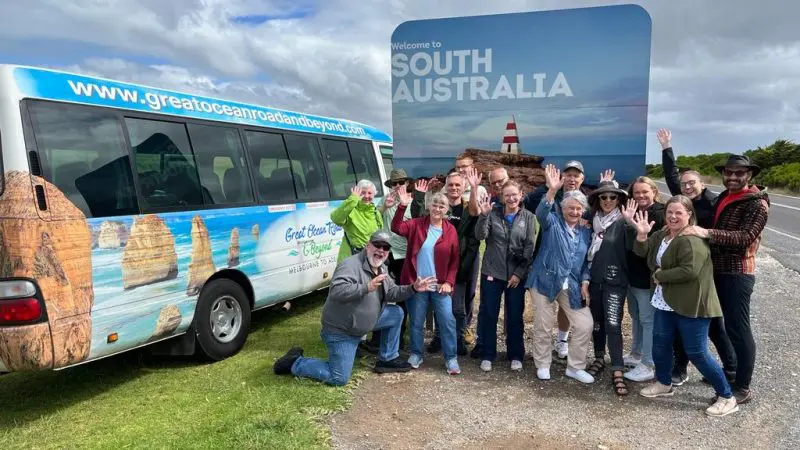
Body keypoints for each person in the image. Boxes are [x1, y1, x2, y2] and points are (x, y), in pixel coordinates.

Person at [273, 231, 434, 386]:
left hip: (365, 323)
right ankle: (296, 362)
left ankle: (388, 359)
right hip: (343, 331)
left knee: (396, 313)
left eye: (385, 247)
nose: (381, 250)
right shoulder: (350, 265)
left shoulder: (381, 267)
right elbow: (337, 290)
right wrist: (366, 287)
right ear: (367, 245)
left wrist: (413, 288)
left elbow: (391, 292)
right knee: (338, 377)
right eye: (377, 245)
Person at [631, 196, 739, 417]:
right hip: (665, 300)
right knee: (660, 345)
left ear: (689, 214)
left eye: (678, 212)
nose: (673, 216)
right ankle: (664, 383)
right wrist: (642, 235)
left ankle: (727, 397)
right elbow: (642, 253)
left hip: (692, 303)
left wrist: (660, 275)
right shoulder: (662, 234)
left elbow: (690, 270)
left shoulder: (691, 239)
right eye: (670, 212)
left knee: (697, 352)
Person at [681, 154, 770, 404]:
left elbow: (745, 237)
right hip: (716, 271)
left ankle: (742, 387)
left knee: (738, 330)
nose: (732, 177)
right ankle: (729, 371)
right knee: (714, 325)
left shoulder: (757, 203)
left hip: (737, 273)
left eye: (739, 173)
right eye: (728, 172)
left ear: (749, 175)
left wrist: (707, 232)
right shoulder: (724, 197)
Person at [658, 128, 737, 385]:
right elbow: (671, 176)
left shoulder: (714, 202)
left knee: (714, 324)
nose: (687, 187)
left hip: (708, 269)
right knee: (681, 318)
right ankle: (680, 368)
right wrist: (667, 148)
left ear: (702, 183)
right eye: (684, 184)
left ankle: (731, 369)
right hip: (686, 266)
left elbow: (728, 229)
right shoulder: (684, 200)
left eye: (692, 182)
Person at [526, 164, 594, 383]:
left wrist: (585, 281)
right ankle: (543, 363)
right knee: (543, 325)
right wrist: (552, 190)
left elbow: (585, 262)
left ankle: (575, 367)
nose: (574, 212)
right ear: (562, 208)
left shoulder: (585, 231)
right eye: (570, 208)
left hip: (571, 284)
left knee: (584, 324)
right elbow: (541, 212)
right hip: (544, 281)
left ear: (583, 211)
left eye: (578, 209)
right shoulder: (552, 222)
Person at [409, 171, 480, 356]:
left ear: (463, 187)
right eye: (451, 185)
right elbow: (418, 217)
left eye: (458, 185)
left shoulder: (468, 209)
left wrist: (463, 268)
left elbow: (473, 238)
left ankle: (459, 339)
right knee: (440, 305)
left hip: (459, 265)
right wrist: (420, 195)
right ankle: (439, 338)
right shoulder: (438, 206)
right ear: (445, 186)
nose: (454, 188)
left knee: (457, 307)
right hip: (437, 266)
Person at [392, 189, 462, 374]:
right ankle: (416, 353)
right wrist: (402, 206)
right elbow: (396, 228)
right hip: (418, 285)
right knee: (416, 322)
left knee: (447, 321)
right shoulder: (416, 224)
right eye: (435, 205)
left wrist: (449, 282)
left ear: (447, 210)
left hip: (440, 286)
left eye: (442, 206)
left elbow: (455, 260)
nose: (437, 209)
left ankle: (451, 358)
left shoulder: (450, 230)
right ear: (429, 206)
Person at [474, 179, 537, 372]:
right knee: (489, 314)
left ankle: (516, 355)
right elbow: (480, 236)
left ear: (521, 195)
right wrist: (484, 215)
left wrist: (519, 274)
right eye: (507, 195)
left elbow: (529, 248)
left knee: (515, 316)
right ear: (501, 197)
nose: (511, 199)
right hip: (492, 273)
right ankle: (488, 354)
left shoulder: (528, 217)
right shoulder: (492, 213)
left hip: (516, 276)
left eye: (514, 195)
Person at [585, 180, 632, 395]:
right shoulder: (591, 221)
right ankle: (598, 357)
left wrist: (633, 227)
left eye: (613, 197)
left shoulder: (624, 221)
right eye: (603, 197)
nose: (608, 200)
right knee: (596, 323)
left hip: (615, 281)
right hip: (594, 280)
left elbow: (636, 247)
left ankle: (617, 367)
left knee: (613, 323)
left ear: (619, 199)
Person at [362, 169, 414, 353]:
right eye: (394, 183)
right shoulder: (386, 199)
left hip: (405, 256)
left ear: (407, 183)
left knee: (401, 297)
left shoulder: (413, 202)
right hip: (386, 254)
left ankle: (398, 338)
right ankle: (377, 338)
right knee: (379, 295)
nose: (397, 186)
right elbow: (373, 217)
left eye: (401, 182)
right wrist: (384, 207)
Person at [623, 176, 666, 382]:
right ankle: (637, 352)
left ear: (654, 192)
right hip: (631, 275)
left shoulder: (660, 214)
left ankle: (649, 364)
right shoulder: (632, 212)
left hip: (647, 277)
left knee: (648, 320)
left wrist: (632, 224)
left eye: (644, 192)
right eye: (636, 192)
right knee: (636, 316)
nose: (640, 196)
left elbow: (650, 247)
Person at [330, 180, 383, 262]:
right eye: (363, 193)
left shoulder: (375, 212)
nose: (366, 196)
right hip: (352, 259)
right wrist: (353, 199)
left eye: (369, 193)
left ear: (374, 194)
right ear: (358, 194)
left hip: (370, 258)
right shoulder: (351, 210)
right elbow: (336, 218)